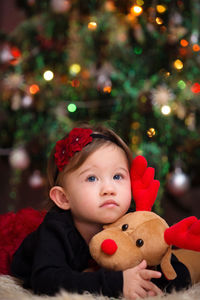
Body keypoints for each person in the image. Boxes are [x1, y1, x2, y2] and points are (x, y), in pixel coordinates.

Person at [11, 125, 190, 299]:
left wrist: (144, 280)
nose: (109, 189)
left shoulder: (132, 224)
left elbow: (178, 276)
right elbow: (45, 281)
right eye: (92, 178)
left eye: (118, 176)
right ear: (64, 199)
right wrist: (116, 283)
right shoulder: (56, 229)